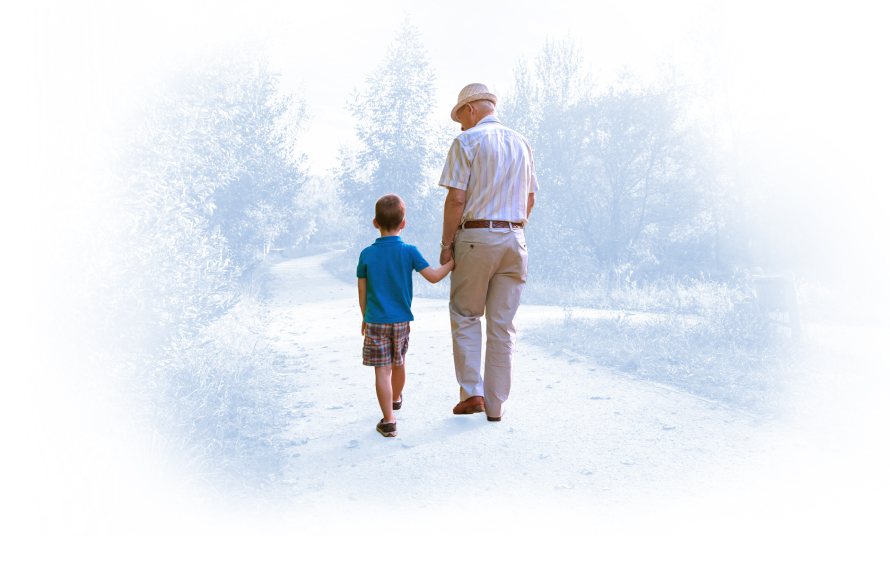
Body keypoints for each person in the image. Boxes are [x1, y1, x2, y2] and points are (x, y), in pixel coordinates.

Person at [437, 83, 538, 422]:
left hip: (476, 237)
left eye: (460, 117)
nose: (460, 125)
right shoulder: (522, 142)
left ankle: (472, 394)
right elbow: (531, 199)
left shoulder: (467, 141)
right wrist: (513, 228)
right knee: (502, 324)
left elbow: (456, 199)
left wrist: (446, 244)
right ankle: (496, 406)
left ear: (471, 110)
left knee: (466, 314)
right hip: (516, 238)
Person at [357, 194, 454, 437]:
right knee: (398, 362)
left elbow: (362, 291)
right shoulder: (409, 251)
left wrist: (364, 317)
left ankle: (388, 421)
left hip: (376, 321)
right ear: (403, 223)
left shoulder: (366, 254)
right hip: (401, 321)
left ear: (375, 223)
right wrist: (453, 263)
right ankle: (396, 398)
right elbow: (433, 277)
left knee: (382, 369)